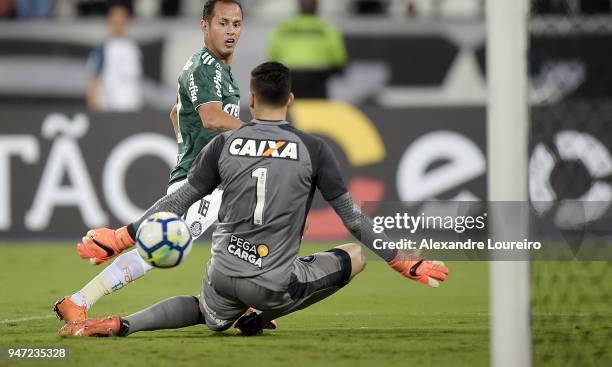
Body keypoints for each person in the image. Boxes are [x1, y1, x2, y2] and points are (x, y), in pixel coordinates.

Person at [58, 62, 449, 337]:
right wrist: (403, 262)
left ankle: (121, 324)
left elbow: (181, 200)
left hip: (223, 275)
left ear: (251, 99)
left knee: (202, 307)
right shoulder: (313, 148)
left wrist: (122, 235)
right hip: (271, 284)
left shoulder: (225, 143)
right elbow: (353, 219)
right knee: (355, 255)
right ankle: (259, 316)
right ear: (291, 99)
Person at [54, 0, 245, 323]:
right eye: (222, 23)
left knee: (245, 229)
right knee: (155, 250)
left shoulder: (220, 71)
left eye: (236, 24)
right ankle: (79, 300)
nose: (230, 31)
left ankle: (247, 302)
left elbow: (176, 113)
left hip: (215, 176)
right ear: (205, 26)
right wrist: (260, 134)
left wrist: (187, 143)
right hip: (202, 182)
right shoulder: (205, 67)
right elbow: (212, 118)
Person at [267, 0, 346, 99]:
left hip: (290, 77)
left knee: (291, 113)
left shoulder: (282, 28)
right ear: (317, 6)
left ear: (298, 4)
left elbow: (272, 58)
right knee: (317, 111)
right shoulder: (328, 29)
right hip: (318, 79)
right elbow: (339, 59)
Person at [85, 5, 143, 112]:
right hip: (109, 110)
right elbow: (93, 81)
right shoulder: (102, 49)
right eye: (115, 21)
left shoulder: (133, 49)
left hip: (132, 109)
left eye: (122, 22)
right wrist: (93, 108)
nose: (119, 25)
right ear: (109, 22)